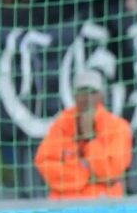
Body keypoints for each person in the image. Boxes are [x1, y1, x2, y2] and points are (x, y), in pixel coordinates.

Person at [34, 70, 132, 200]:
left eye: (93, 92)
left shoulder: (118, 127)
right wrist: (85, 175)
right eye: (83, 91)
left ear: (101, 95)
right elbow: (43, 162)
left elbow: (111, 172)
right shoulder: (62, 123)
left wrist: (90, 138)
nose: (87, 97)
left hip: (103, 205)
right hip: (66, 204)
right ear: (74, 95)